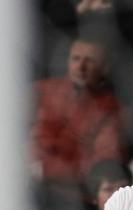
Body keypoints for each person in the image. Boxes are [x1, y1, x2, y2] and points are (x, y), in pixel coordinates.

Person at [33, 36, 123, 185]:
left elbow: (102, 163)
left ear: (104, 67)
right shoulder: (42, 89)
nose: (81, 67)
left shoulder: (111, 109)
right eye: (76, 59)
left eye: (90, 61)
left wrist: (45, 168)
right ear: (68, 62)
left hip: (68, 187)